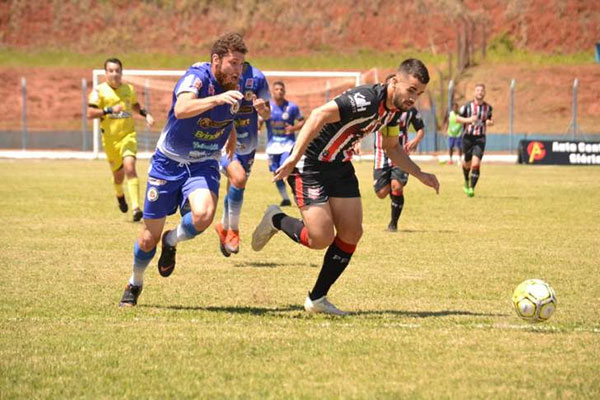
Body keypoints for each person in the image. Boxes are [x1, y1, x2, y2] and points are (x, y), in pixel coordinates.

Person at [251, 59, 440, 315]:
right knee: (320, 238)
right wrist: (294, 158)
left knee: (351, 233)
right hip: (311, 163)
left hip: (339, 166)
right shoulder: (365, 99)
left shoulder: (395, 110)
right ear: (395, 81)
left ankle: (317, 298)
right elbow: (318, 114)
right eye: (411, 90)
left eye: (419, 94)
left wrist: (419, 174)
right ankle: (276, 219)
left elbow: (392, 147)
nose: (413, 99)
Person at [118, 33, 247, 307]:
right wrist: (218, 99)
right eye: (233, 63)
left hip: (203, 162)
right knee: (147, 239)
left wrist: (232, 133)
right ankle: (135, 282)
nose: (238, 70)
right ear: (216, 60)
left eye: (241, 64)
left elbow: (226, 114)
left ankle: (172, 240)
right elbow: (183, 107)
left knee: (203, 215)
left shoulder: (235, 83)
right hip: (168, 163)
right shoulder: (196, 77)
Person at [213, 62, 271, 257]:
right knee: (238, 179)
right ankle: (234, 231)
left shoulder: (258, 77)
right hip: (225, 140)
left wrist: (262, 109)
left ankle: (224, 225)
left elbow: (267, 113)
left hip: (249, 145)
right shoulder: (221, 75)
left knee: (235, 184)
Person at [87, 58, 155, 222]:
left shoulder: (128, 89)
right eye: (111, 71)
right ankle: (119, 195)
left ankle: (136, 208)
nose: (115, 74)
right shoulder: (99, 91)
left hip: (128, 136)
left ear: (121, 72)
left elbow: (135, 105)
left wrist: (146, 114)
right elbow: (90, 113)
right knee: (118, 177)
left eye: (117, 70)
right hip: (110, 141)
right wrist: (109, 110)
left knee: (130, 167)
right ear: (106, 73)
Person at [373, 100, 425, 232]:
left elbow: (420, 128)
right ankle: (393, 191)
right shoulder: (379, 107)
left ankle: (393, 223)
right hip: (381, 154)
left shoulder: (410, 109)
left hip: (400, 153)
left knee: (396, 186)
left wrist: (416, 140)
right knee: (381, 193)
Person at [264, 81, 305, 207]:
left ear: (284, 92)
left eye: (281, 89)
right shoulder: (267, 108)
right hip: (272, 147)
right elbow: (260, 120)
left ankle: (297, 193)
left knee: (286, 168)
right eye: (276, 89)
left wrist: (293, 128)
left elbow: (302, 121)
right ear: (272, 91)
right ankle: (285, 198)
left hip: (288, 145)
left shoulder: (291, 107)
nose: (279, 91)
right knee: (276, 173)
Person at [455, 84, 494, 197]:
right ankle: (466, 180)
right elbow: (457, 119)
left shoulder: (488, 108)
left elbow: (490, 119)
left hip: (480, 138)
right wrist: (469, 119)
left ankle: (472, 188)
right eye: (478, 90)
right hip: (468, 137)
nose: (480, 92)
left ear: (484, 93)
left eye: (482, 90)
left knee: (476, 163)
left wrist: (490, 122)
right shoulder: (467, 106)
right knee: (467, 164)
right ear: (474, 93)